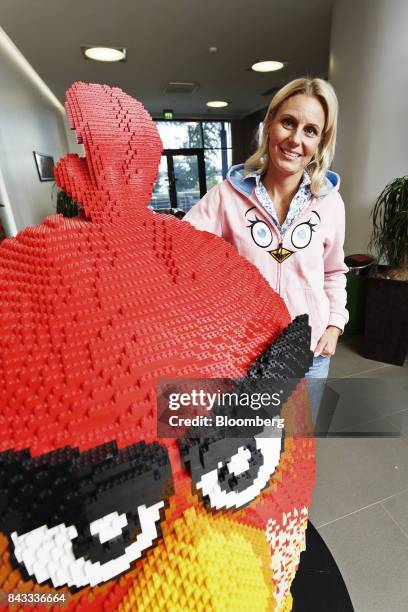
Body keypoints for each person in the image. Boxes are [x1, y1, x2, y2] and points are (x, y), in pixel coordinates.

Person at [184, 77, 349, 422]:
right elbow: (179, 250)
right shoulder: (227, 196)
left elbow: (334, 271)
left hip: (310, 354)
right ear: (270, 124)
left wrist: (334, 324)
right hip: (245, 355)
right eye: (288, 122)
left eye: (310, 130)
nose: (295, 139)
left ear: (320, 142)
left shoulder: (330, 204)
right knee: (247, 453)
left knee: (298, 447)